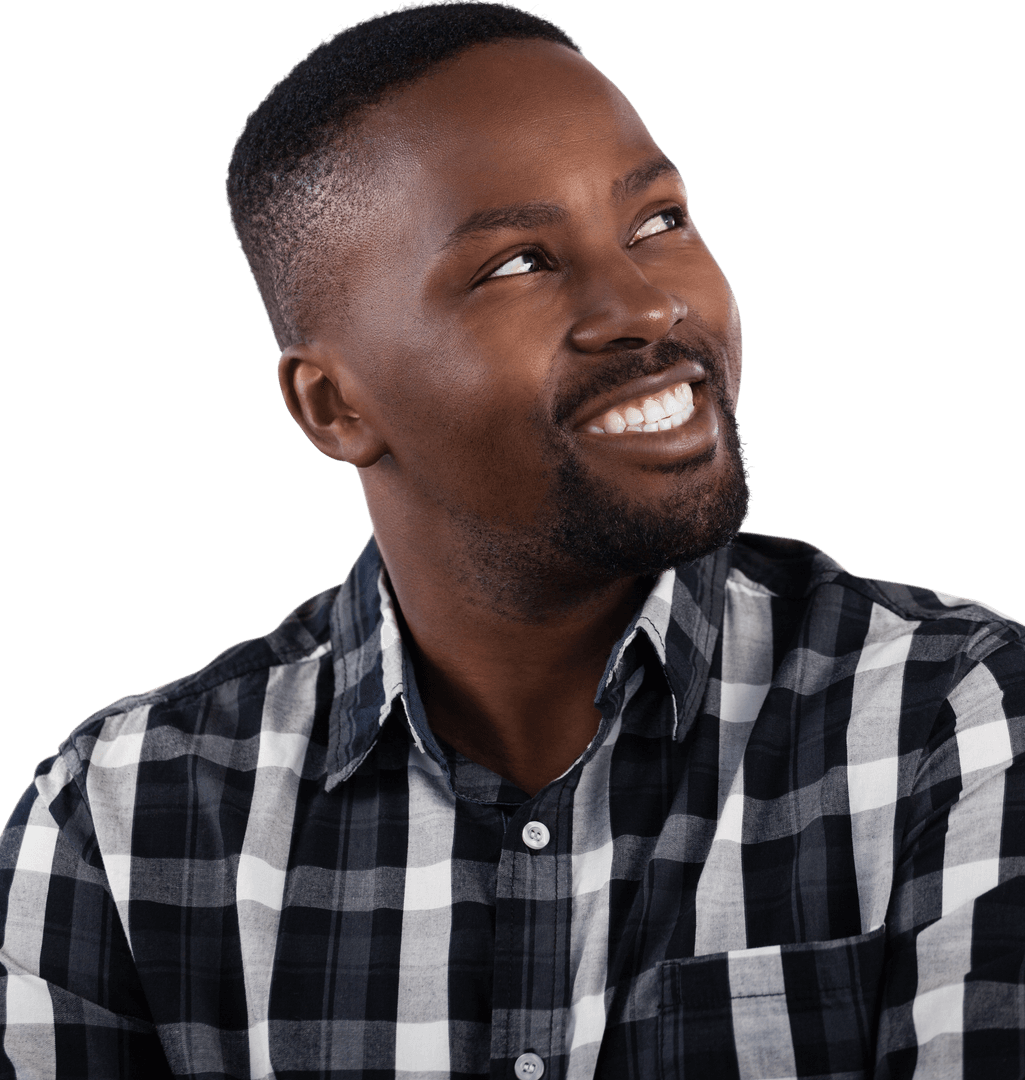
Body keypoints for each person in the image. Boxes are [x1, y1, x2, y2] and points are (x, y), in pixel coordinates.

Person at [1, 1, 1021, 1076]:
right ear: (333, 407)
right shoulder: (121, 826)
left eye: (658, 222)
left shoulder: (952, 729)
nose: (641, 307)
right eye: (518, 264)